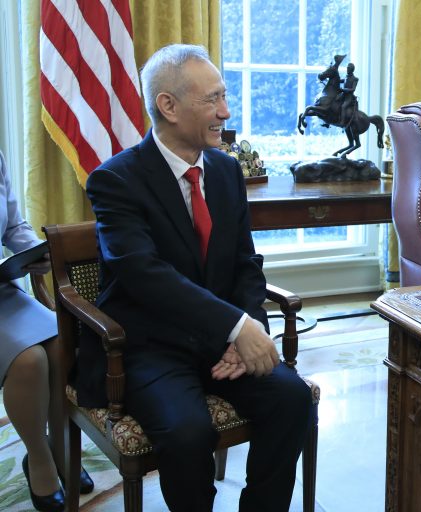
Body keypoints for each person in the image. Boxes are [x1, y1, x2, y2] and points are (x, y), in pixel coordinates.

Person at [83, 44, 311, 512]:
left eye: (223, 97)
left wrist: (247, 327)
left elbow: (246, 264)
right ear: (168, 106)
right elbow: (144, 275)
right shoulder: (115, 181)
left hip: (218, 340)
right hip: (150, 345)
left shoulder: (227, 170)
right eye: (212, 100)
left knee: (292, 399)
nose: (225, 112)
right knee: (189, 432)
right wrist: (236, 326)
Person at [0, 150, 93, 512]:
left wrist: (32, 252)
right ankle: (38, 458)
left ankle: (61, 445)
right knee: (29, 361)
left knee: (60, 345)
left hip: (3, 293)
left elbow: (12, 227)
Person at [338, 62, 359, 127]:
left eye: (348, 68)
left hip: (349, 97)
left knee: (343, 106)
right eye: (347, 68)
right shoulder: (345, 77)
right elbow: (339, 80)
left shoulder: (355, 79)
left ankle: (342, 122)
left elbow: (353, 89)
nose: (347, 69)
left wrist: (344, 90)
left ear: (351, 69)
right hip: (343, 95)